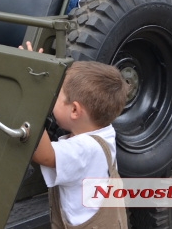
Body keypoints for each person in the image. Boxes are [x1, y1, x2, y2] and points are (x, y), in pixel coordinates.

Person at [32, 61, 130, 228]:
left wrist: (31, 102)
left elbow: (44, 155)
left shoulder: (84, 150)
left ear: (75, 110)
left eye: (58, 95)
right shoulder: (105, 132)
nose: (53, 98)